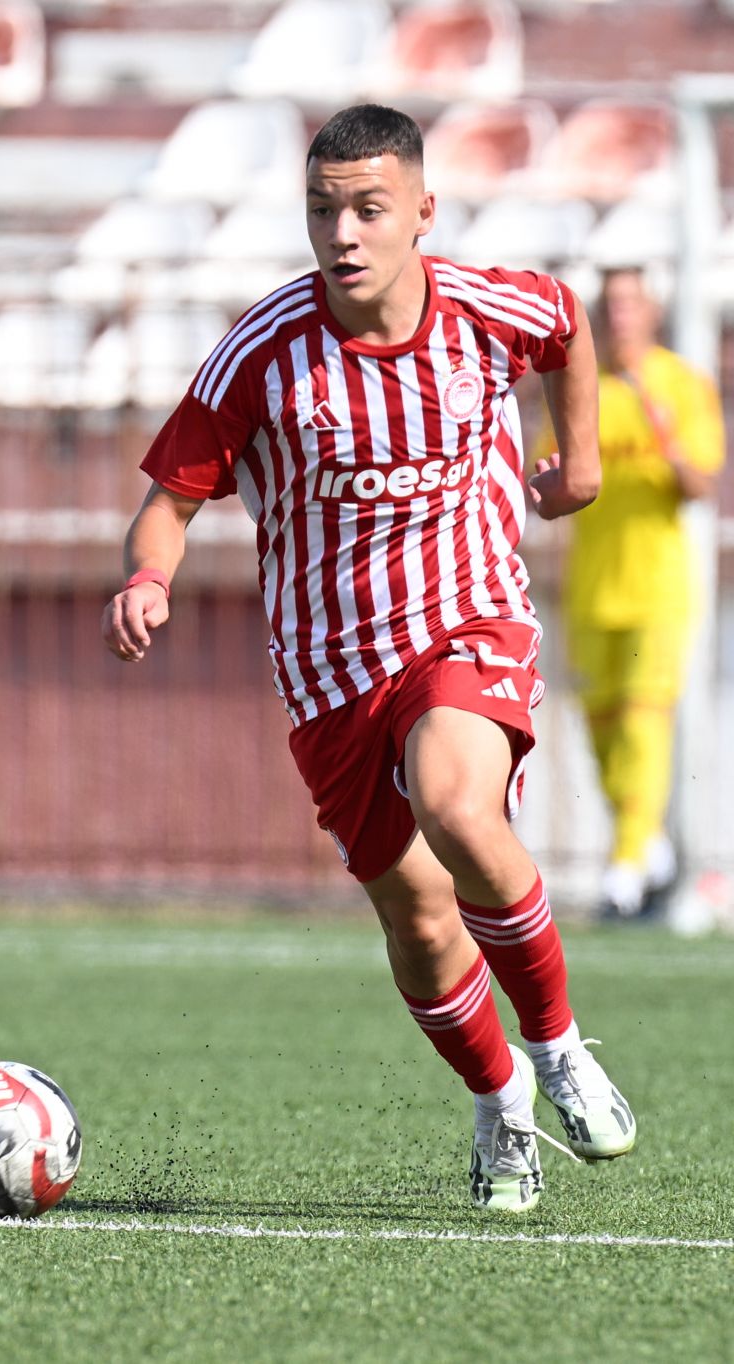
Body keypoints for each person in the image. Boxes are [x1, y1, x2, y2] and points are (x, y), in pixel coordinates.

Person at [101, 104, 634, 1212]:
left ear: (422, 212)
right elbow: (169, 502)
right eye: (321, 211)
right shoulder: (262, 353)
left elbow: (566, 324)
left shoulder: (482, 311)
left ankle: (558, 1049)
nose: (341, 233)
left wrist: (579, 463)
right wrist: (147, 578)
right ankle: (500, 1105)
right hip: (331, 671)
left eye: (367, 210)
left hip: (468, 620)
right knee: (419, 919)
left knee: (456, 802)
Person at [554, 267, 723, 919]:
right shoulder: (581, 386)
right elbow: (554, 481)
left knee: (643, 721)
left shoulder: (682, 383)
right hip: (593, 585)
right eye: (611, 304)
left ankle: (624, 865)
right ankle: (646, 841)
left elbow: (700, 485)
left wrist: (661, 424)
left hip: (657, 587)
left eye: (631, 303)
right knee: (601, 731)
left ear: (652, 312)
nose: (619, 315)